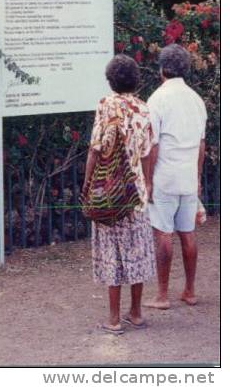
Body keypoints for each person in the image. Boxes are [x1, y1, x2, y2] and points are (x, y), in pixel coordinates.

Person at [85, 54, 155, 334]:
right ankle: (135, 313)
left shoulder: (106, 104)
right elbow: (148, 152)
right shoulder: (144, 108)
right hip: (134, 191)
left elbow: (95, 148)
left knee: (112, 251)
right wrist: (147, 184)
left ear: (110, 79)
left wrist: (87, 181)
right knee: (135, 251)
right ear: (136, 79)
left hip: (109, 190)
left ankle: (113, 319)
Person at [144, 44, 207, 309]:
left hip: (165, 175)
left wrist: (147, 180)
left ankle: (161, 295)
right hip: (188, 175)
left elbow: (152, 146)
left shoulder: (157, 99)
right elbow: (202, 144)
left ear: (162, 70)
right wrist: (198, 175)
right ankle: (190, 291)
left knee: (163, 234)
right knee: (188, 233)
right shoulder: (196, 99)